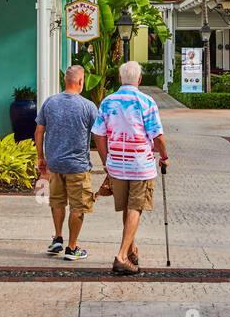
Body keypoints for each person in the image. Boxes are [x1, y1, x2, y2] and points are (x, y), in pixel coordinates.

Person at [91, 60, 167, 276]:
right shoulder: (146, 102)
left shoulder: (107, 102)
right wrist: (165, 156)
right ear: (140, 80)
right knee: (136, 207)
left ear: (120, 79)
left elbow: (98, 133)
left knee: (127, 208)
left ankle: (132, 250)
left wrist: (106, 160)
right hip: (141, 165)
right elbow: (158, 136)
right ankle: (122, 256)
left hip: (117, 166)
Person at [34, 65, 99, 261]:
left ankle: (58, 238)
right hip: (77, 166)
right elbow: (99, 135)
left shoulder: (50, 103)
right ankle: (72, 248)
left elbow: (39, 131)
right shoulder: (88, 106)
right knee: (78, 206)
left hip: (54, 164)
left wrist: (41, 157)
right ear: (80, 82)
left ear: (65, 81)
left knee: (57, 202)